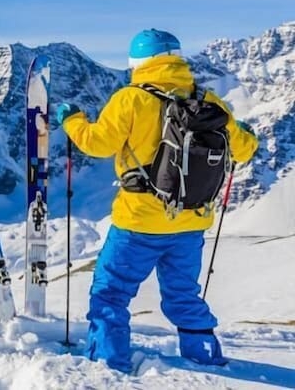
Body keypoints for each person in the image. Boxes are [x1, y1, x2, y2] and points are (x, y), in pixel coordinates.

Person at [55, 28, 258, 373]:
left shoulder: (131, 99)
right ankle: (204, 355)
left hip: (138, 221)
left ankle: (108, 362)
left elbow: (97, 144)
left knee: (111, 292)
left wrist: (72, 120)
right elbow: (243, 149)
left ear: (137, 63)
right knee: (184, 294)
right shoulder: (209, 101)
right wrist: (247, 136)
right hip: (191, 223)